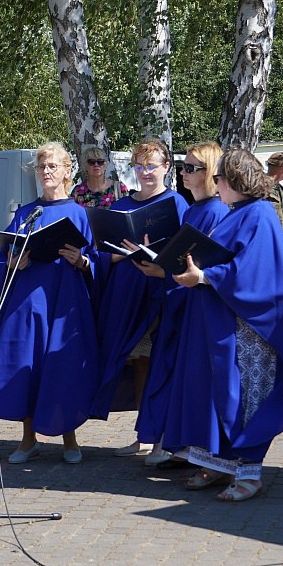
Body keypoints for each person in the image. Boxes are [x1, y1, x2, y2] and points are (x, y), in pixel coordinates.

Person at [164, 149, 283, 501]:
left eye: (219, 178)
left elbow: (253, 273)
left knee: (246, 399)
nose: (216, 184)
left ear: (235, 180)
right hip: (228, 324)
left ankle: (249, 475)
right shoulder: (237, 212)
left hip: (251, 331)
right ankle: (219, 464)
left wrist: (205, 276)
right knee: (223, 396)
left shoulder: (258, 214)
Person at [0, 141, 99, 465]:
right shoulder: (25, 212)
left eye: (52, 166)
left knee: (61, 366)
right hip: (28, 301)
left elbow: (95, 258)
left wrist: (82, 261)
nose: (46, 172)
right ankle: (28, 438)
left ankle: (70, 439)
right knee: (27, 364)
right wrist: (12, 260)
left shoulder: (78, 212)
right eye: (41, 166)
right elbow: (4, 250)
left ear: (67, 171)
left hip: (65, 303)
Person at [90, 139, 188, 460]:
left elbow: (186, 252)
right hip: (126, 295)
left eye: (151, 166)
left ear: (166, 168)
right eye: (139, 166)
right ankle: (143, 433)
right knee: (139, 362)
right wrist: (121, 256)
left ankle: (160, 437)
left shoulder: (176, 205)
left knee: (163, 360)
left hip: (162, 293)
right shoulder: (119, 208)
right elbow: (100, 254)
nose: (145, 173)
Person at [134, 140, 227, 468]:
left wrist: (163, 269)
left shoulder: (215, 210)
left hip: (195, 306)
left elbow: (206, 265)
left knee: (190, 377)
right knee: (176, 376)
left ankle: (194, 450)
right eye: (183, 166)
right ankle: (180, 446)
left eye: (191, 168)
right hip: (180, 303)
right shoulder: (195, 209)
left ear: (210, 172)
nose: (184, 173)